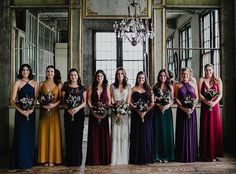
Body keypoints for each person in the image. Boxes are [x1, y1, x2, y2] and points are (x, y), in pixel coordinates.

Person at [11, 64, 38, 168]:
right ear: (20, 71)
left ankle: (29, 161)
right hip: (20, 114)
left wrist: (31, 109)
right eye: (23, 70)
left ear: (30, 71)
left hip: (31, 114)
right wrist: (21, 111)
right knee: (21, 137)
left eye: (27, 70)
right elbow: (12, 100)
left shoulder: (35, 83)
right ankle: (20, 162)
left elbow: (35, 99)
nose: (25, 71)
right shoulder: (17, 82)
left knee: (30, 137)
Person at [38, 65, 62, 166]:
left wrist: (53, 105)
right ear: (46, 73)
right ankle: (44, 159)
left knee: (54, 133)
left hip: (54, 112)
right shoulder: (41, 84)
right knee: (44, 133)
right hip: (43, 112)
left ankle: (54, 159)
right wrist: (43, 105)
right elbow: (38, 98)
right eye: (48, 71)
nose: (50, 73)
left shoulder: (58, 84)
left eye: (52, 72)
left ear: (54, 73)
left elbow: (61, 99)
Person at [86, 70, 111, 165]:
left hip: (104, 115)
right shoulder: (91, 88)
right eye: (98, 76)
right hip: (93, 115)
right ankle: (94, 159)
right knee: (94, 136)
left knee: (103, 136)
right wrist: (92, 110)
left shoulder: (107, 88)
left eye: (101, 76)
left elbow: (108, 101)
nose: (99, 78)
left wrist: (105, 111)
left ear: (103, 77)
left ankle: (104, 159)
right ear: (95, 78)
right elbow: (88, 100)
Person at [198, 63, 223, 161]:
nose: (208, 72)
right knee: (206, 128)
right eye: (206, 70)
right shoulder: (201, 79)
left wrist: (214, 102)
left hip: (215, 107)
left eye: (210, 70)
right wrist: (206, 101)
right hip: (205, 106)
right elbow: (200, 94)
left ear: (213, 70)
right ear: (204, 70)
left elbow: (220, 94)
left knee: (215, 128)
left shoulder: (218, 80)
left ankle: (215, 154)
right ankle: (206, 154)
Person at [62, 68, 86, 166]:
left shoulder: (82, 87)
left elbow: (84, 102)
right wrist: (68, 109)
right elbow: (63, 101)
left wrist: (77, 109)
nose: (73, 77)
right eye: (71, 75)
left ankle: (78, 160)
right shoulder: (65, 87)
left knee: (78, 136)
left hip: (79, 114)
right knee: (69, 136)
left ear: (78, 76)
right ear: (69, 76)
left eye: (75, 75)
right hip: (68, 114)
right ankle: (69, 160)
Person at [129, 71, 154, 165]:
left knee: (146, 135)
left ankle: (146, 157)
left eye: (143, 78)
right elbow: (130, 102)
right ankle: (136, 158)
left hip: (147, 115)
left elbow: (152, 102)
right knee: (137, 135)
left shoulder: (149, 89)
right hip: (136, 115)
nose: (141, 80)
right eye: (139, 78)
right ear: (137, 79)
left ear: (145, 79)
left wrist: (145, 112)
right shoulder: (133, 89)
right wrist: (137, 110)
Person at [175, 67, 198, 163]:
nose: (185, 76)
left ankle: (192, 155)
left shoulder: (193, 84)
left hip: (192, 112)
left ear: (189, 75)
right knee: (182, 132)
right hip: (181, 111)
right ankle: (182, 155)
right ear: (181, 75)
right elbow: (176, 98)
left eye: (187, 74)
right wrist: (183, 108)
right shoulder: (177, 85)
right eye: (183, 74)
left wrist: (192, 108)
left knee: (191, 132)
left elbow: (196, 98)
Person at [110, 67, 131, 165]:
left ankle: (124, 158)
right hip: (115, 113)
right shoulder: (112, 86)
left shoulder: (128, 86)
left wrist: (124, 111)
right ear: (116, 75)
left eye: (122, 74)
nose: (120, 75)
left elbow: (128, 101)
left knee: (123, 135)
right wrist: (116, 110)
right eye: (118, 74)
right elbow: (111, 100)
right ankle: (115, 158)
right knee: (115, 134)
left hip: (125, 114)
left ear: (124, 75)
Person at [153, 69, 174, 163]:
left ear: (167, 77)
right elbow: (153, 100)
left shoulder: (170, 87)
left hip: (167, 112)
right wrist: (159, 106)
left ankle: (166, 156)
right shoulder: (155, 86)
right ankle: (158, 155)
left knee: (166, 133)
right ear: (159, 76)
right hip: (157, 112)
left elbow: (172, 100)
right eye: (161, 76)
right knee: (158, 133)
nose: (163, 77)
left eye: (164, 76)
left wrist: (166, 106)